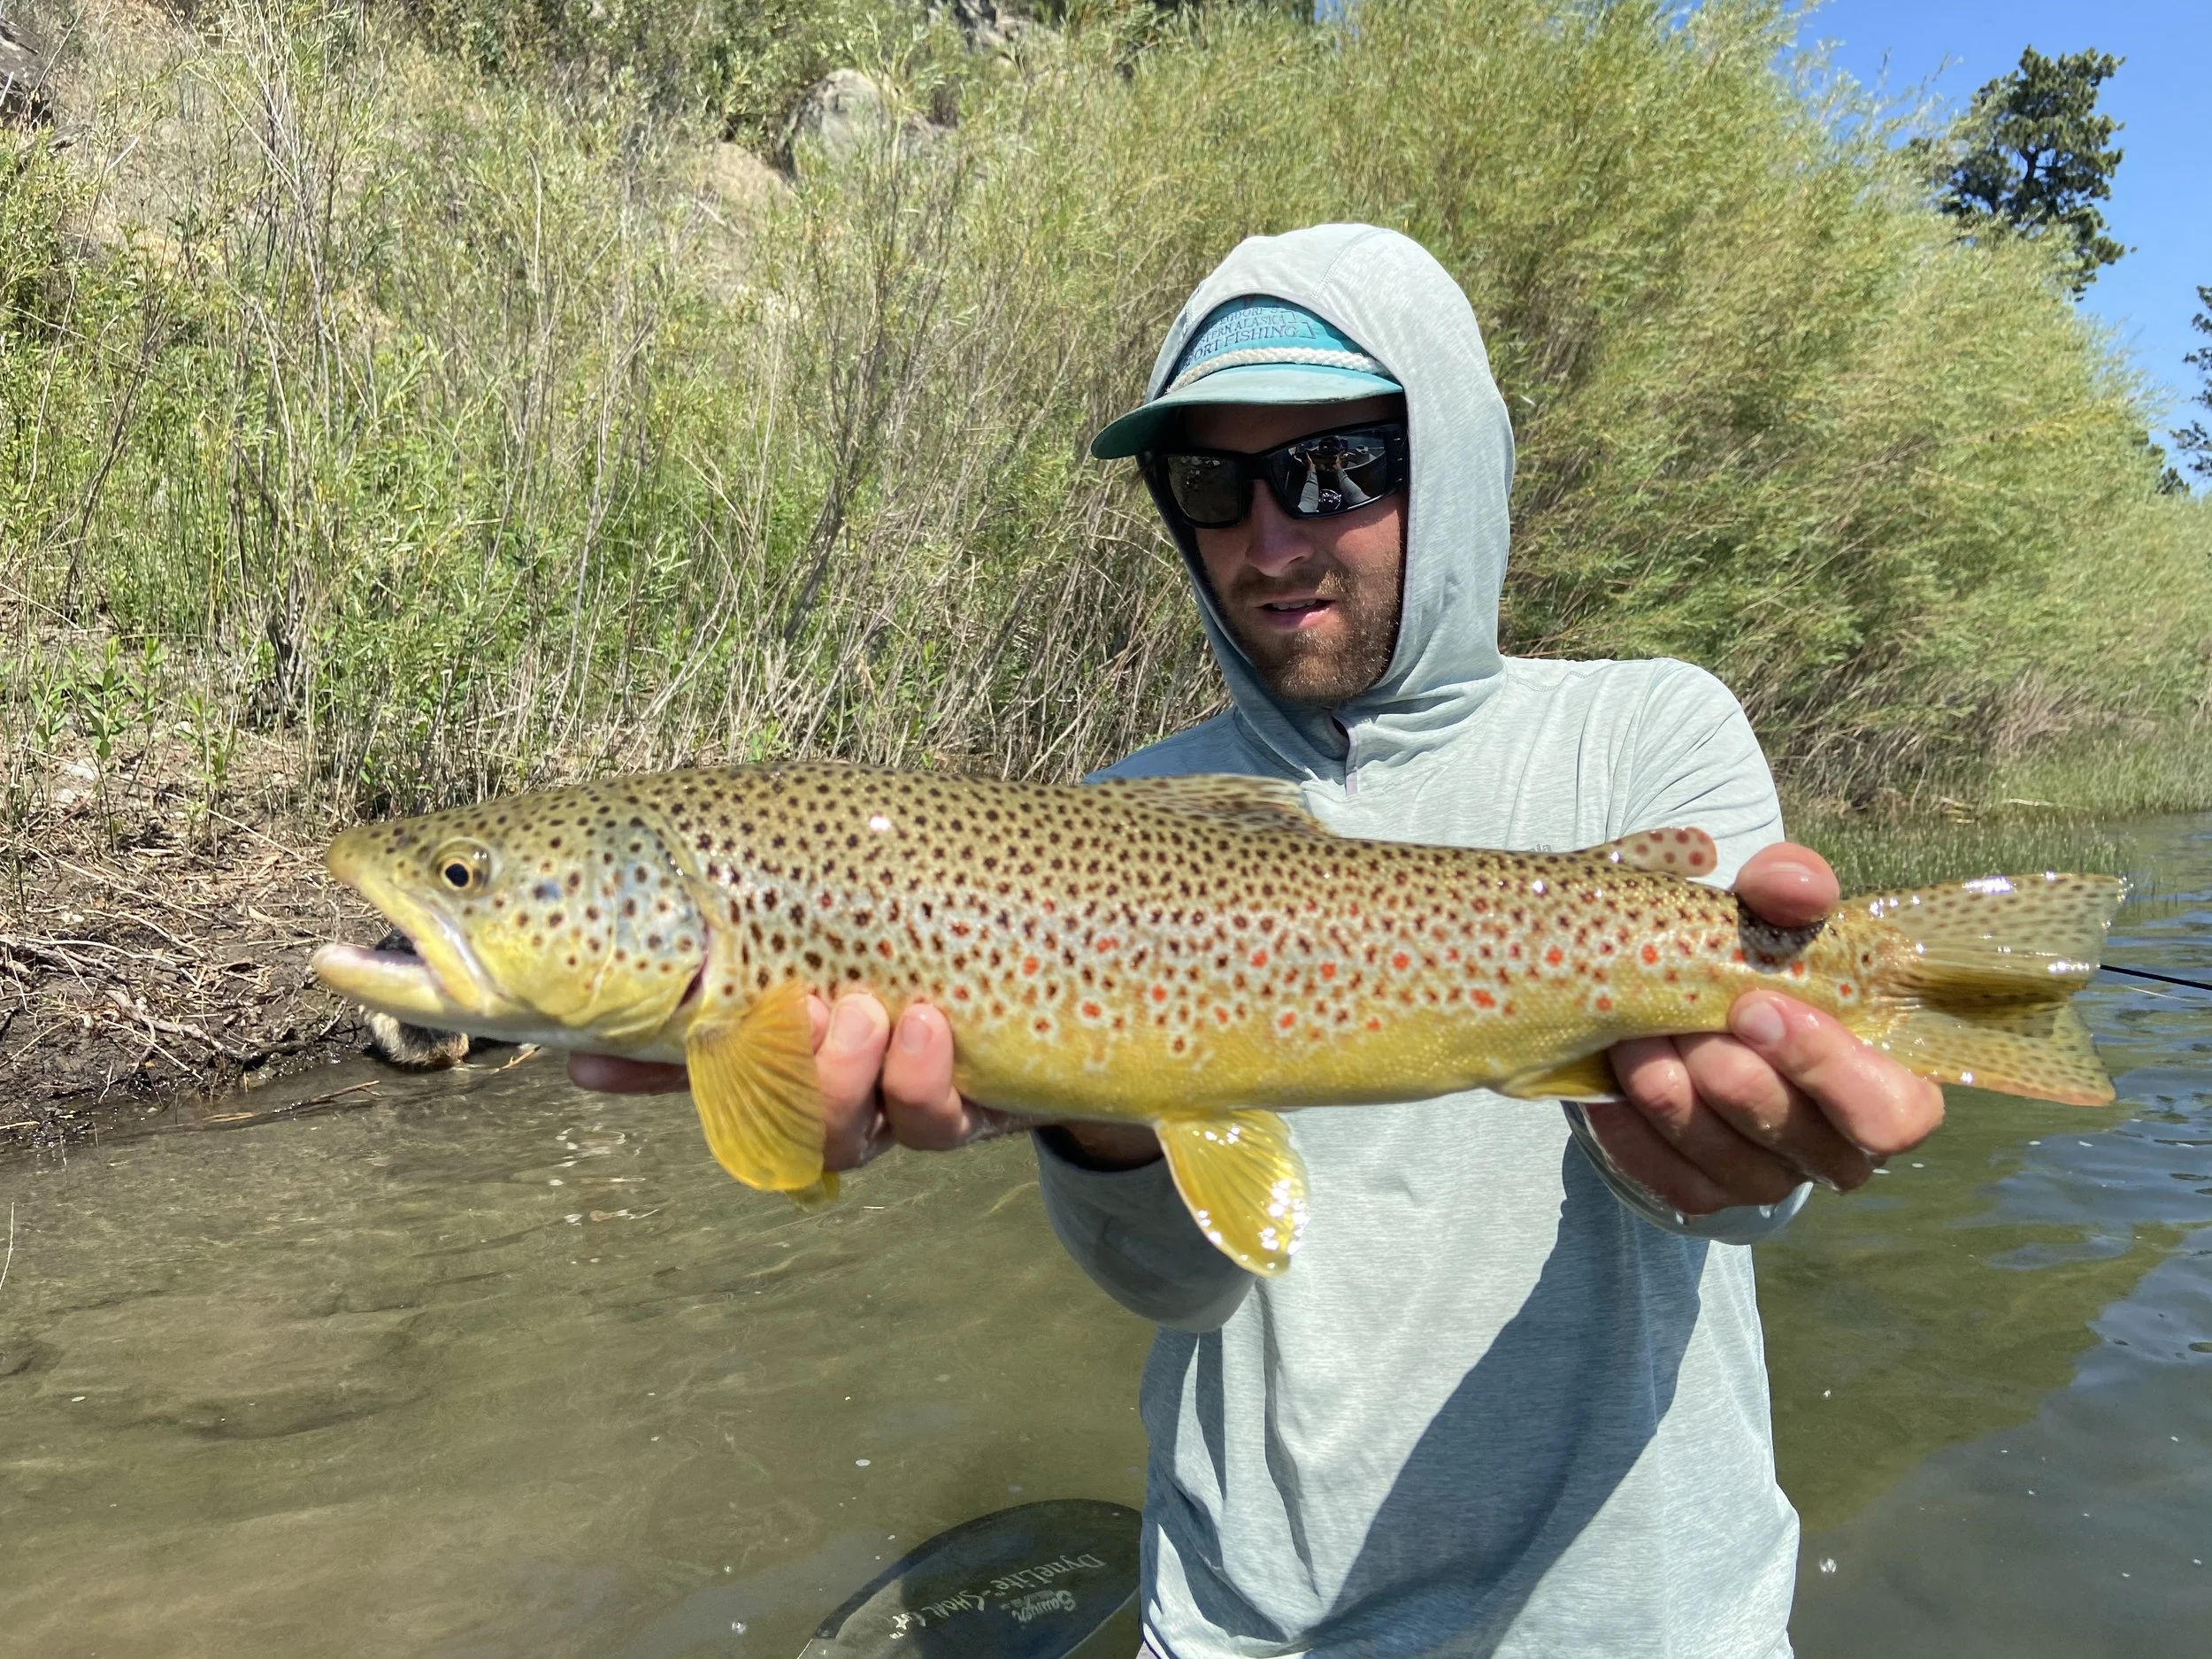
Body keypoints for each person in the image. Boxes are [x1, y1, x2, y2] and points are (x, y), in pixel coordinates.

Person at [576, 224, 1945, 1657]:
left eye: (1337, 467)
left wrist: (1737, 1146)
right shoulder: (1115, 816)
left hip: (1636, 1621)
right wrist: (1096, 1117)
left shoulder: (1649, 729)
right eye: (1216, 485)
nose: (1275, 537)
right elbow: (1183, 1285)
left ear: (1454, 459)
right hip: (1249, 1623)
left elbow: (1739, 1191)